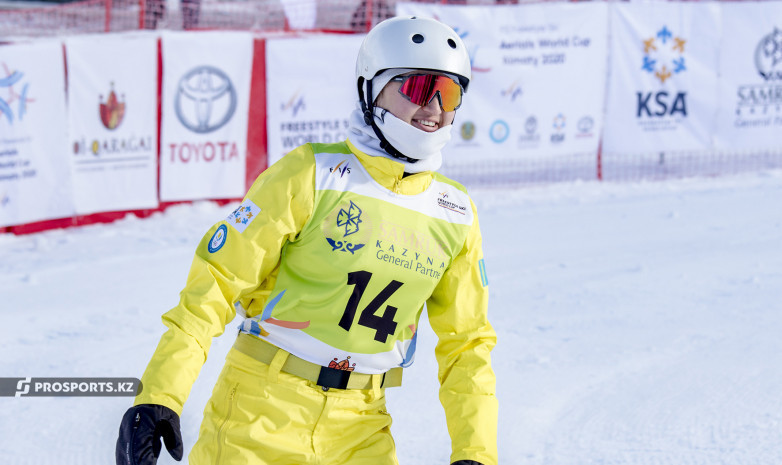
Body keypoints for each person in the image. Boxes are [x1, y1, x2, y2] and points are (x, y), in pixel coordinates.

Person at [116, 15, 498, 465]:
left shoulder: (454, 212)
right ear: (370, 89)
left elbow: (467, 343)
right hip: (259, 415)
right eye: (418, 88)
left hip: (363, 429)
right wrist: (160, 393)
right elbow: (214, 286)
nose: (433, 107)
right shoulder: (310, 174)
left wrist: (476, 453)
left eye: (449, 92)